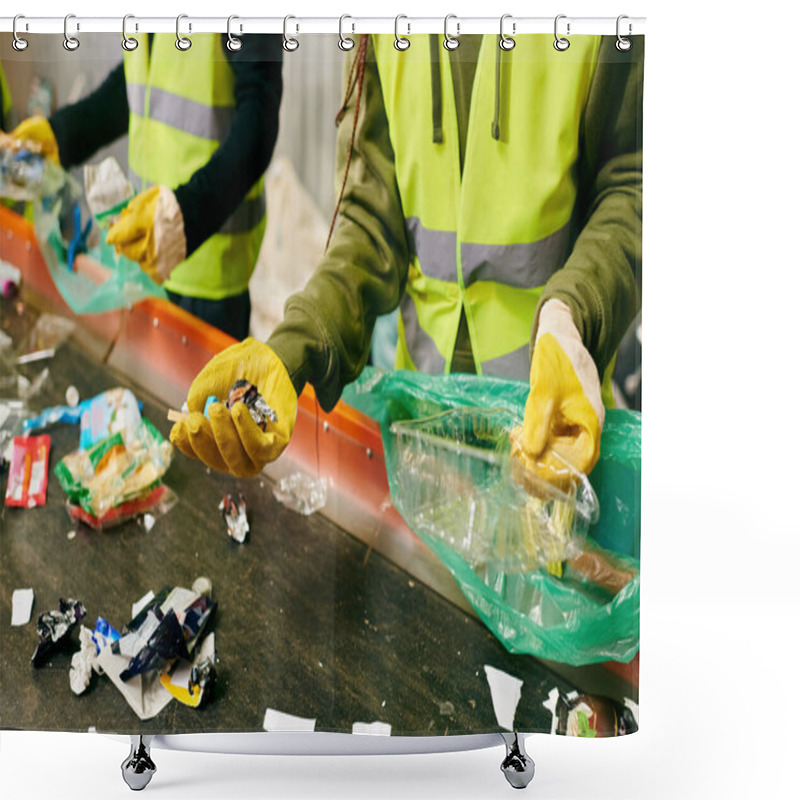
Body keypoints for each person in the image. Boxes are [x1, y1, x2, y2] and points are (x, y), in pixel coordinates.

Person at [170, 33, 642, 483]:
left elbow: (631, 184)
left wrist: (573, 313)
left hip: (553, 428)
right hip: (424, 429)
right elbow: (371, 217)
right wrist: (297, 347)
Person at [7, 34, 283, 340]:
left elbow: (259, 121)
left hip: (207, 273)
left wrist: (184, 216)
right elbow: (138, 83)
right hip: (143, 253)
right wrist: (62, 134)